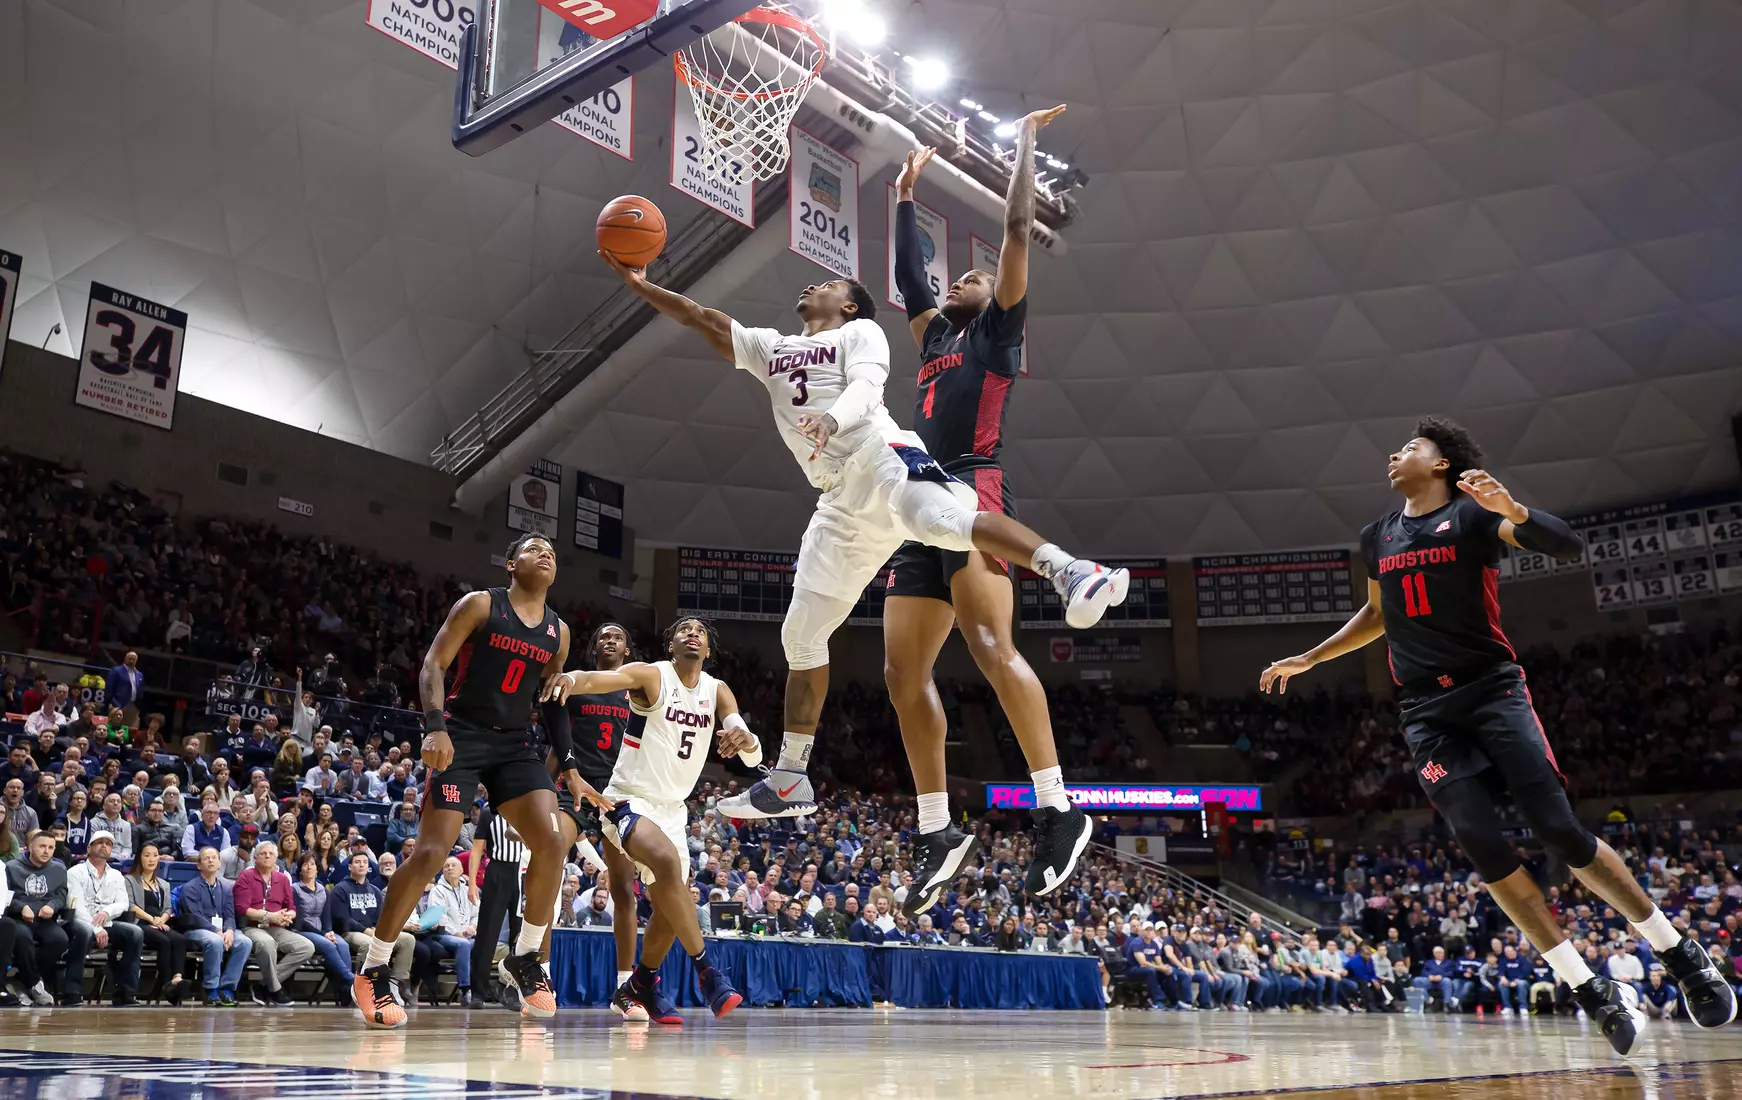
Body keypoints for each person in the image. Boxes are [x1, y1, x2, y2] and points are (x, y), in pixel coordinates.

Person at [602, 250, 1129, 830]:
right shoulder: (771, 348)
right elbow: (702, 317)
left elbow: (866, 386)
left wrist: (833, 421)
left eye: (827, 283)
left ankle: (1069, 569)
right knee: (800, 635)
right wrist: (641, 284)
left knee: (944, 522)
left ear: (848, 304)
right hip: (838, 499)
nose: (812, 283)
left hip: (881, 454)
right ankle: (792, 776)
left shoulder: (862, 332)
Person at [1260, 416, 1737, 1053]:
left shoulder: (1477, 515)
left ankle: (1680, 956)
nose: (1395, 454)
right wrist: (1312, 658)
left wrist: (1513, 508)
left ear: (1439, 465)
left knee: (1559, 831)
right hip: (1426, 712)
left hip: (1490, 688)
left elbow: (1564, 546)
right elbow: (1377, 614)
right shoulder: (1377, 535)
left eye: (1411, 446)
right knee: (1481, 842)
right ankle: (1587, 989)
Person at [882, 116, 1094, 914]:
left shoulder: (999, 336)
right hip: (918, 503)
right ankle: (936, 829)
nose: (965, 279)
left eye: (976, 277)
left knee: (988, 644)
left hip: (975, 489)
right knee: (904, 674)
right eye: (960, 276)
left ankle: (1056, 809)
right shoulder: (935, 334)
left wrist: (1024, 153)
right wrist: (903, 196)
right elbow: (910, 280)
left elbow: (1012, 228)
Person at [353, 534, 607, 1031]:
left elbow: (553, 701)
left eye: (552, 550)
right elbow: (434, 664)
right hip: (462, 735)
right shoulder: (479, 604)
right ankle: (375, 967)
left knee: (552, 840)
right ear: (511, 562)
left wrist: (571, 767)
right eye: (535, 548)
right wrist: (435, 726)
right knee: (431, 852)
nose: (547, 554)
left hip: (514, 744)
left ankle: (527, 958)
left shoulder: (559, 632)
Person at [544, 616, 752, 1023]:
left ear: (708, 650)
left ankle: (640, 984)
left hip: (674, 811)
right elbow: (601, 679)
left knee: (672, 904)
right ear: (670, 645)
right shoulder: (652, 675)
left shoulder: (717, 690)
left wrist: (744, 736)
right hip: (628, 798)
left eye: (700, 632)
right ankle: (708, 972)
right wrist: (570, 679)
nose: (692, 633)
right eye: (683, 629)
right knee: (667, 867)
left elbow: (740, 733)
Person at [563, 622, 642, 1004]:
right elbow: (557, 745)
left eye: (618, 637)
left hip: (619, 794)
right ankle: (537, 972)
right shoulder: (577, 685)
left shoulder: (639, 693)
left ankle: (625, 986)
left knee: (624, 889)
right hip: (576, 787)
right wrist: (543, 790)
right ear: (594, 647)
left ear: (627, 651)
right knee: (549, 856)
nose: (610, 641)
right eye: (604, 637)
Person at [67, 830, 144, 1006]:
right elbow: (76, 906)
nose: (104, 846)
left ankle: (125, 992)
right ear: (89, 848)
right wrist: (96, 928)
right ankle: (72, 992)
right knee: (84, 931)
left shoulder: (116, 875)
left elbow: (123, 903)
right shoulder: (75, 872)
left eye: (108, 844)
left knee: (135, 933)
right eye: (100, 842)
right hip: (82, 921)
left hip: (107, 921)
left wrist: (107, 912)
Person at [236, 840, 315, 1005]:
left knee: (306, 947)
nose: (267, 856)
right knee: (267, 943)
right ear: (255, 858)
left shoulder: (282, 878)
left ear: (275, 858)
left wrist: (288, 916)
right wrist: (269, 916)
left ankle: (264, 984)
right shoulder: (246, 876)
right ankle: (276, 990)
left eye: (270, 854)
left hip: (276, 926)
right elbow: (242, 909)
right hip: (252, 926)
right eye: (263, 853)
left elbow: (291, 907)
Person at [3, 832, 75, 1005]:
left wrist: (52, 905)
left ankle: (23, 980)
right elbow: (4, 895)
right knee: (23, 939)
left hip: (44, 918)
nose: (46, 851)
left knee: (60, 940)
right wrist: (21, 907)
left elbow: (61, 894)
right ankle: (34, 984)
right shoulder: (11, 867)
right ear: (30, 847)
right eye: (42, 846)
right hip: (18, 919)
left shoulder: (58, 868)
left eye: (50, 848)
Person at [177, 846, 253, 1006]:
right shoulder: (190, 887)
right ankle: (211, 989)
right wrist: (217, 931)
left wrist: (230, 930)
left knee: (245, 942)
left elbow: (230, 915)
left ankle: (227, 988)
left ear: (219, 863)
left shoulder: (226, 889)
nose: (211, 860)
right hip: (196, 931)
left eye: (214, 858)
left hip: (222, 930)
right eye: (206, 858)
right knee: (215, 941)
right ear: (199, 865)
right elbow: (195, 916)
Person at [125, 842, 188, 1006]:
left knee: (180, 940)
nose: (152, 859)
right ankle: (167, 985)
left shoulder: (163, 884)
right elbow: (130, 905)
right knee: (164, 941)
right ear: (139, 858)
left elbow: (167, 907)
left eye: (155, 855)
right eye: (147, 855)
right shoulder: (130, 880)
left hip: (159, 923)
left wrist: (162, 919)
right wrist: (151, 919)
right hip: (140, 923)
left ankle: (177, 979)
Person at [290, 853, 354, 1007]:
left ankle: (345, 990)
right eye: (305, 864)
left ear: (317, 869)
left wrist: (329, 931)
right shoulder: (295, 889)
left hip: (322, 931)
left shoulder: (323, 890)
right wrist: (324, 935)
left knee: (343, 944)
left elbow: (326, 916)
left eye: (312, 864)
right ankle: (352, 980)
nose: (309, 867)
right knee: (328, 945)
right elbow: (301, 920)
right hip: (302, 930)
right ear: (300, 870)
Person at [424, 856, 479, 1007]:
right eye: (446, 866)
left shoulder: (469, 890)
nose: (450, 868)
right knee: (463, 944)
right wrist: (457, 933)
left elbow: (477, 913)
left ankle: (480, 989)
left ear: (462, 870)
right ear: (443, 871)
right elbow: (438, 917)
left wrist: (472, 927)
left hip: (467, 934)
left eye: (454, 865)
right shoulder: (437, 891)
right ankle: (465, 988)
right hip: (444, 935)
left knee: (485, 944)